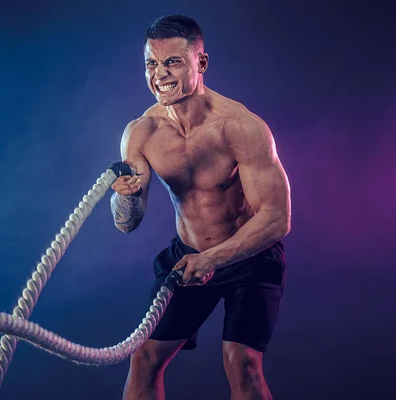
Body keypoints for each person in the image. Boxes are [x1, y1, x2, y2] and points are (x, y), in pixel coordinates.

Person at [110, 15, 291, 400]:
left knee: (242, 364)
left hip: (249, 257)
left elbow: (277, 219)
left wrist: (213, 260)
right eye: (151, 63)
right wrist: (123, 196)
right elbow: (128, 224)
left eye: (172, 61)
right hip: (188, 257)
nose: (160, 74)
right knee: (144, 359)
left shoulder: (240, 126)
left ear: (200, 64)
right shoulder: (141, 132)